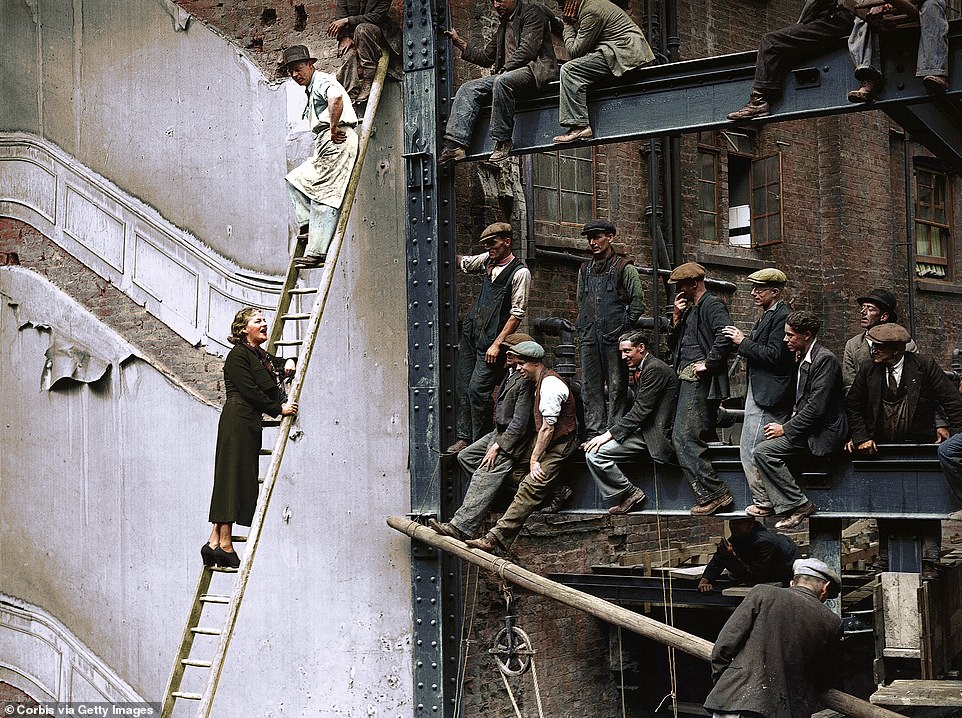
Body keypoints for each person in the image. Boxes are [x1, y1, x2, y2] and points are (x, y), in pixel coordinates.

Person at [844, 322, 962, 577]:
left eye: (879, 347)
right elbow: (852, 406)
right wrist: (861, 436)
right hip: (883, 448)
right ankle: (885, 556)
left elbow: (951, 401)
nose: (873, 350)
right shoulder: (868, 370)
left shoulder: (924, 365)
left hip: (919, 446)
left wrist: (956, 434)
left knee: (926, 502)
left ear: (896, 350)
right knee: (886, 502)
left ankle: (930, 558)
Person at [204, 308, 297, 569]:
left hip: (247, 422)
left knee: (237, 478)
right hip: (237, 420)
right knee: (231, 478)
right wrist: (279, 409)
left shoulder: (259, 356)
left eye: (265, 320)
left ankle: (214, 542)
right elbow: (251, 391)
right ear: (244, 328)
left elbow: (275, 367)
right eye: (258, 321)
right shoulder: (238, 355)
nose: (264, 324)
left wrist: (289, 359)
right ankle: (224, 543)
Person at [465, 340, 578, 552]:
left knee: (530, 486)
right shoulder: (537, 381)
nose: (518, 369)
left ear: (535, 362)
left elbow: (548, 429)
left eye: (521, 365)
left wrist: (535, 461)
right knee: (508, 468)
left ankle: (494, 539)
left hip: (559, 443)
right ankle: (556, 490)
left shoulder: (550, 385)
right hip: (544, 439)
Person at [428, 333, 535, 541]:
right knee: (465, 457)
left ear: (516, 353)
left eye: (508, 350)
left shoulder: (525, 379)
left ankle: (460, 527)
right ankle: (495, 491)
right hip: (497, 432)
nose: (504, 352)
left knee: (484, 472)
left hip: (511, 438)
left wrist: (500, 446)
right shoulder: (510, 371)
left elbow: (520, 424)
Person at [704, 558, 843, 718]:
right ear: (825, 589)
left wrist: (728, 683)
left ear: (793, 582)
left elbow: (723, 647)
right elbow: (824, 680)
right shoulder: (832, 622)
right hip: (784, 710)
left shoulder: (762, 593)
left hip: (734, 702)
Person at [753, 311, 848, 530]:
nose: (785, 339)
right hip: (808, 430)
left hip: (822, 433)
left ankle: (798, 504)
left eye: (790, 335)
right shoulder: (802, 356)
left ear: (807, 335)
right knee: (762, 449)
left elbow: (816, 408)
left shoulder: (825, 359)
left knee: (764, 452)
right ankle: (786, 503)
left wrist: (784, 429)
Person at [446, 222, 531, 455]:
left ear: (507, 241)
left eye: (492, 243)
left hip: (492, 341)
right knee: (463, 386)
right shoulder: (487, 260)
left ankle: (480, 440)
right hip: (472, 334)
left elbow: (517, 314)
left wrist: (497, 344)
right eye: (485, 245)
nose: (488, 248)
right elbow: (464, 262)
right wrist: (441, 249)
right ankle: (464, 437)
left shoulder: (519, 272)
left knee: (477, 390)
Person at [438, 0, 558, 164]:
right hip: (509, 75)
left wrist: (506, 69)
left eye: (500, 0)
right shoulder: (504, 24)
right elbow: (486, 57)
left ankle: (503, 141)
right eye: (493, 1)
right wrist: (459, 42)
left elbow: (528, 50)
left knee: (501, 81)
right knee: (468, 88)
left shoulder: (532, 12)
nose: (495, 5)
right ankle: (455, 147)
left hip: (535, 70)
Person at [721, 268, 795, 517]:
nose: (753, 293)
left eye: (759, 289)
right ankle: (767, 499)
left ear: (775, 292)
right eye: (753, 288)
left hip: (769, 395)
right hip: (760, 389)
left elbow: (775, 356)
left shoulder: (782, 316)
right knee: (752, 447)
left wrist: (743, 342)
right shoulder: (768, 315)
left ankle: (764, 501)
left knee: (751, 448)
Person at [666, 262, 736, 516]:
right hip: (684, 376)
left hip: (698, 379)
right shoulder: (690, 309)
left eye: (681, 286)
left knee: (683, 436)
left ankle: (715, 493)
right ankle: (712, 491)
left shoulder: (712, 305)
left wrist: (708, 363)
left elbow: (726, 335)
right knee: (682, 434)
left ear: (693, 284)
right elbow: (673, 344)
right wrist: (675, 318)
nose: (679, 291)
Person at [282, 45, 359, 270]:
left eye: (298, 68)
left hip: (336, 138)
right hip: (325, 141)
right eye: (291, 71)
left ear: (310, 65)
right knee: (295, 179)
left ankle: (316, 253)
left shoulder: (323, 80)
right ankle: (307, 224)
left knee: (325, 194)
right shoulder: (312, 86)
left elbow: (336, 98)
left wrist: (334, 128)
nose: (296, 75)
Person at [582, 331, 677, 514]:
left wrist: (605, 437)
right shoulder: (643, 368)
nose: (623, 356)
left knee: (595, 455)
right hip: (642, 431)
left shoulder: (655, 369)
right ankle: (628, 493)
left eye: (627, 351)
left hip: (653, 435)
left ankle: (630, 493)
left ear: (641, 348)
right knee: (593, 451)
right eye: (621, 352)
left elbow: (641, 411)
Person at [727, 1, 855, 121]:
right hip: (838, 19)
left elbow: (814, 4)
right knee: (782, 44)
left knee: (770, 42)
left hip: (834, 19)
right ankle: (764, 95)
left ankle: (758, 102)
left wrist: (800, 25)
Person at [576, 220, 645, 438]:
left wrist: (624, 330)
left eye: (597, 237)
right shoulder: (585, 269)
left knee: (617, 386)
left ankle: (615, 432)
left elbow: (638, 302)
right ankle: (593, 432)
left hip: (615, 339)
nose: (593, 242)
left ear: (610, 238)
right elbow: (581, 300)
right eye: (590, 238)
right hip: (589, 337)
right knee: (590, 386)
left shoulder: (625, 267)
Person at [553, 0, 654, 145]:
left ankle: (579, 126)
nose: (562, 9)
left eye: (563, 4)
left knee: (570, 70)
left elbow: (575, 51)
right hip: (618, 50)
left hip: (625, 52)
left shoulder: (591, 11)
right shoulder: (591, 5)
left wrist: (567, 25)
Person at [847, 0, 949, 103]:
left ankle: (935, 70)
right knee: (863, 16)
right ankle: (868, 79)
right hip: (889, 13)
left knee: (932, 4)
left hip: (918, 9)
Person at [842, 288, 917, 393]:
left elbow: (915, 382)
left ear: (884, 316)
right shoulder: (853, 345)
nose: (863, 312)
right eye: (863, 307)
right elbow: (849, 386)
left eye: (870, 309)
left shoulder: (906, 344)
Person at [328, 0, 401, 107]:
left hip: (378, 33)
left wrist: (347, 20)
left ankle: (368, 79)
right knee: (348, 54)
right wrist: (345, 36)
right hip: (354, 35)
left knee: (362, 29)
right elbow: (340, 16)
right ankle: (350, 96)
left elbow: (376, 17)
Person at [697, 517, 798, 593]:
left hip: (782, 572)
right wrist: (705, 580)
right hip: (760, 571)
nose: (732, 526)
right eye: (731, 523)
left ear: (750, 524)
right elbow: (719, 558)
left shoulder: (764, 542)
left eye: (738, 523)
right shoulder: (738, 537)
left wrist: (731, 557)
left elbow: (755, 576)